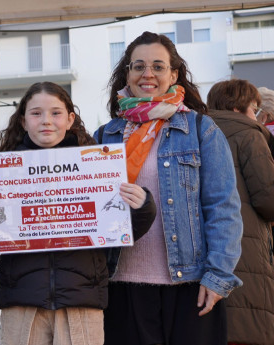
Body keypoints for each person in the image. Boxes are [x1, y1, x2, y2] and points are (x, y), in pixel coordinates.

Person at [0, 82, 156, 345]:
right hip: (23, 303)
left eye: (56, 113)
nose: (46, 121)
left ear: (70, 119)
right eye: (36, 113)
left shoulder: (97, 169)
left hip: (81, 302)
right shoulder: (5, 172)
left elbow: (118, 230)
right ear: (23, 121)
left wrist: (142, 207)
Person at [98, 31, 243, 345]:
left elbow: (223, 208)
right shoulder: (105, 136)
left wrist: (218, 277)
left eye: (158, 66)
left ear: (174, 74)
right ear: (127, 74)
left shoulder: (201, 129)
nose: (147, 74)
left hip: (190, 286)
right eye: (138, 66)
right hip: (121, 286)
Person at [207, 79, 274, 345]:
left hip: (207, 258)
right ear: (240, 107)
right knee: (246, 328)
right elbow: (269, 200)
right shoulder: (249, 133)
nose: (256, 116)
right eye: (254, 109)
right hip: (247, 253)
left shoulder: (197, 131)